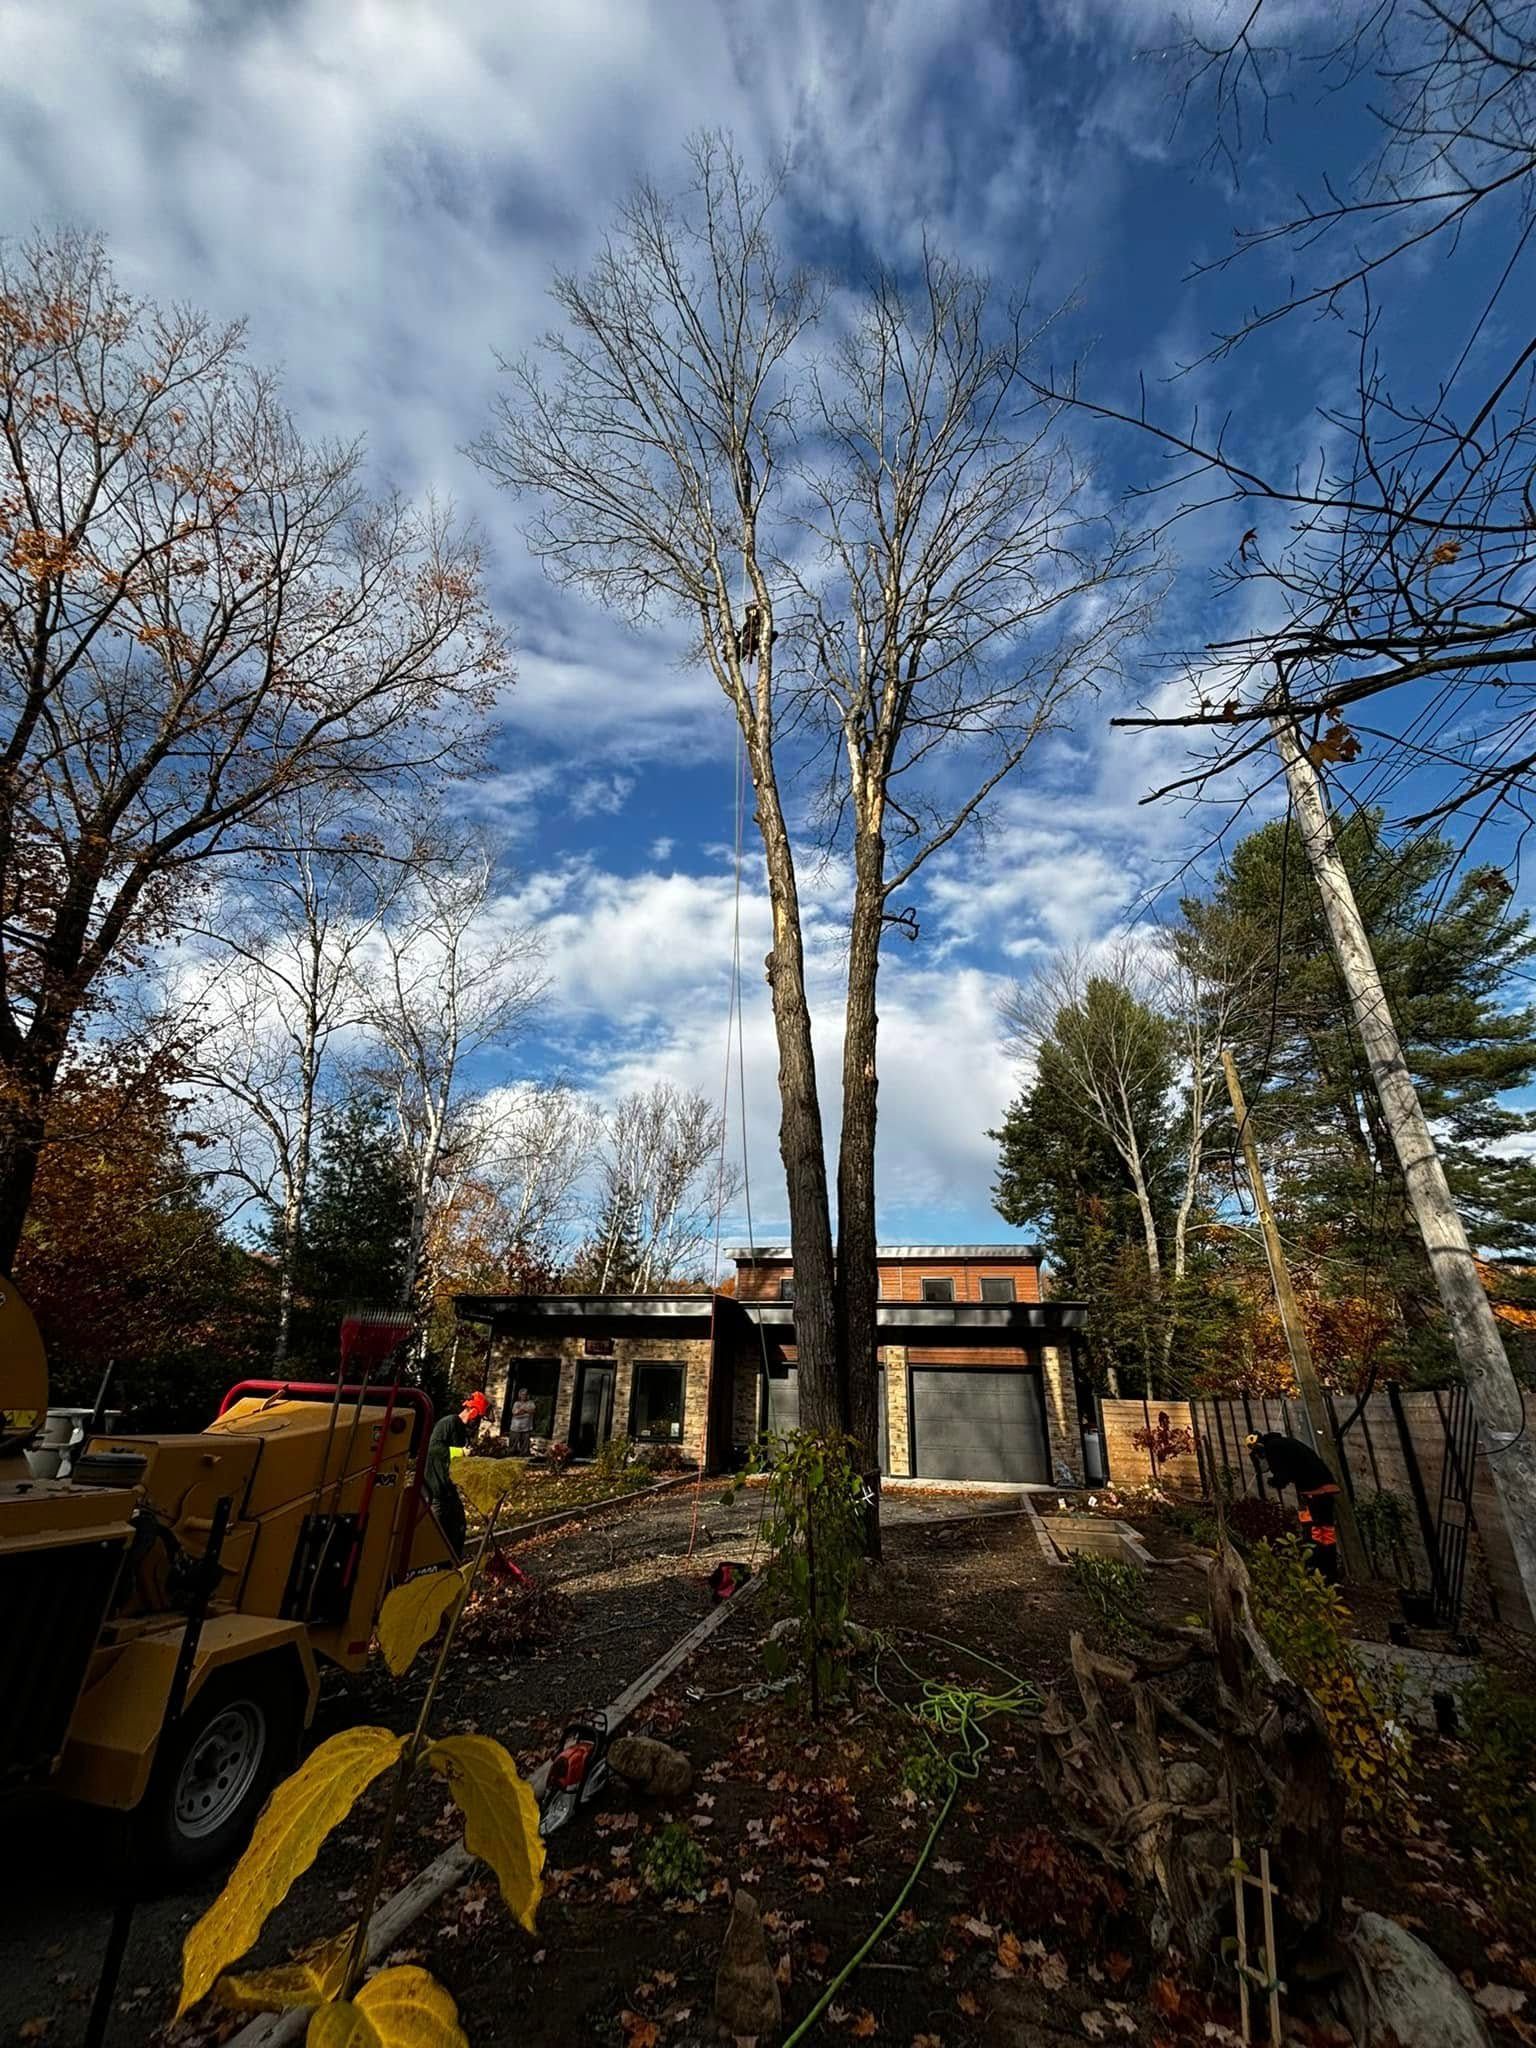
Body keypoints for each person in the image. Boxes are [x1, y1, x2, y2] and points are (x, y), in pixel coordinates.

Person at [1246, 1430, 1343, 1582]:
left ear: (1259, 1447)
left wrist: (1274, 1481)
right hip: (1318, 1491)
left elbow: (1282, 1476)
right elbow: (1291, 1469)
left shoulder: (1273, 1448)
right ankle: (1328, 1571)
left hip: (1316, 1493)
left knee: (1315, 1532)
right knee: (1322, 1531)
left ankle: (1320, 1573)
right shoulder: (1282, 1443)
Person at [424, 1389, 489, 1559]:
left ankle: (454, 1561)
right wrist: (460, 1452)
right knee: (435, 1532)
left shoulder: (461, 1431)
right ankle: (431, 1564)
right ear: (473, 1412)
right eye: (479, 1418)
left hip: (449, 1488)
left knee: (459, 1525)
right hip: (435, 1487)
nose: (478, 1423)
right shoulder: (448, 1423)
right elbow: (434, 1448)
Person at [508, 1386, 536, 1457]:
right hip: (515, 1428)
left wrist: (522, 1410)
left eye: (525, 1394)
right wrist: (525, 1410)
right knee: (513, 1444)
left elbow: (532, 1410)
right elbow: (515, 1412)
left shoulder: (531, 1403)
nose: (524, 1396)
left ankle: (523, 1457)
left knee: (525, 1446)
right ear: (519, 1395)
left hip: (526, 1428)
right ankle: (511, 1456)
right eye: (522, 1394)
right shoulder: (516, 1403)